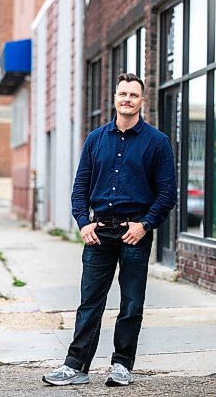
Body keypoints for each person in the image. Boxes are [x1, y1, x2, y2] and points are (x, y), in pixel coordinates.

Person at [42, 73, 177, 387]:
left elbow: (167, 193)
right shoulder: (95, 139)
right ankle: (76, 367)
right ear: (114, 98)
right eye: (122, 94)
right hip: (98, 232)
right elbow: (79, 190)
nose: (127, 99)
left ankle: (121, 365)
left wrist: (145, 225)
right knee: (90, 301)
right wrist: (83, 222)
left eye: (133, 95)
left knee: (131, 303)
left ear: (142, 100)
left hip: (134, 232)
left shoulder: (157, 142)